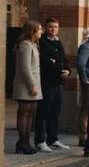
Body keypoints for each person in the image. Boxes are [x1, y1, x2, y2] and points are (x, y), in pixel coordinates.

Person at [35, 18, 71, 152]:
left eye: (56, 27)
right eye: (50, 27)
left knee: (55, 111)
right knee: (43, 111)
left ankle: (53, 138)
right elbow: (43, 61)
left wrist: (68, 70)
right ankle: (40, 140)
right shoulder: (41, 41)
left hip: (59, 83)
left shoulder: (58, 41)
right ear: (45, 28)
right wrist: (53, 63)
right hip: (47, 82)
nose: (53, 29)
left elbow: (64, 60)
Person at [12, 20, 43, 154]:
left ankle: (26, 142)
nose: (41, 31)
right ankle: (22, 142)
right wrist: (32, 85)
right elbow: (25, 68)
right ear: (32, 31)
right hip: (26, 85)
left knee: (31, 113)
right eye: (39, 29)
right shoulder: (25, 45)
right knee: (24, 113)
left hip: (33, 84)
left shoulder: (33, 44)